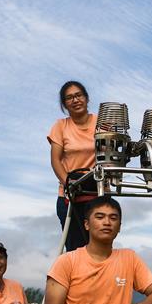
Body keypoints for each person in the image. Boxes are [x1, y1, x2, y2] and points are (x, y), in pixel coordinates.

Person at [48, 80, 98, 252]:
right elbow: (55, 159)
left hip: (97, 193)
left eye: (78, 95)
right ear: (64, 104)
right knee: (75, 251)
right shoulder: (60, 126)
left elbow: (110, 153)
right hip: (70, 196)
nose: (75, 100)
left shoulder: (100, 123)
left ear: (86, 98)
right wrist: (68, 182)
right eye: (69, 98)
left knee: (99, 248)